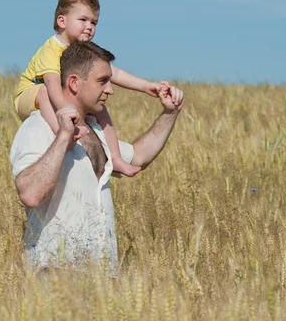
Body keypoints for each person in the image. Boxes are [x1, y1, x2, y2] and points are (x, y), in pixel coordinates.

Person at [10, 41, 184, 276]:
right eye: (102, 81)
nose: (111, 89)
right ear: (73, 82)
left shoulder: (96, 130)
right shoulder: (37, 127)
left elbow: (138, 157)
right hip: (52, 277)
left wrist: (170, 114)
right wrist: (63, 137)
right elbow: (30, 193)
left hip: (100, 280)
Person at [14, 0, 170, 177]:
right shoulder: (51, 49)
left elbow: (114, 72)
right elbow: (53, 83)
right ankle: (63, 133)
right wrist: (68, 112)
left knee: (100, 107)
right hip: (29, 95)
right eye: (83, 20)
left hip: (55, 95)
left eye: (94, 22)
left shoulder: (84, 53)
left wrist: (146, 86)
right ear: (61, 21)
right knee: (45, 91)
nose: (90, 26)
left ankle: (115, 158)